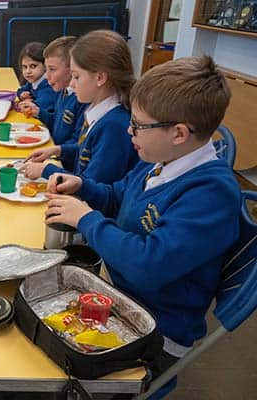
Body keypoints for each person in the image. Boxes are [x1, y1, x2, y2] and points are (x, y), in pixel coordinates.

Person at [44, 55, 240, 399]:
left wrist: (86, 218)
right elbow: (122, 194)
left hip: (155, 329)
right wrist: (83, 187)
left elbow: (149, 265)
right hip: (121, 289)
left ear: (179, 133)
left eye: (138, 125)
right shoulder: (162, 161)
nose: (129, 131)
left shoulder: (211, 193)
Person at [22, 30, 138, 184]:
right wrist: (58, 150)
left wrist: (47, 171)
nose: (71, 84)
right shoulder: (98, 112)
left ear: (100, 78)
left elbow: (93, 184)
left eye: (76, 76)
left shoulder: (114, 126)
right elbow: (86, 152)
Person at [19, 36, 87, 145]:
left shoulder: (82, 99)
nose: (46, 76)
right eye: (46, 70)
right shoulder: (63, 91)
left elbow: (78, 144)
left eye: (52, 69)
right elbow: (55, 122)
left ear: (72, 69)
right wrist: (39, 112)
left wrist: (57, 151)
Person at [16, 42, 55, 113]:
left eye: (33, 66)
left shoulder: (48, 86)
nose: (28, 71)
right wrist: (22, 95)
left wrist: (28, 103)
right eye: (24, 67)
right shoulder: (34, 81)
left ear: (45, 65)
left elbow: (40, 105)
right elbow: (21, 90)